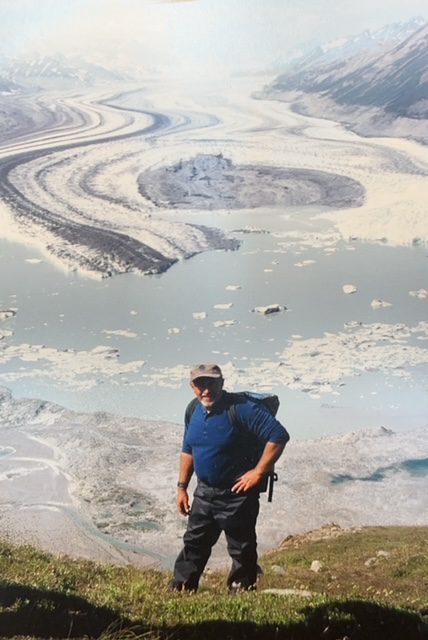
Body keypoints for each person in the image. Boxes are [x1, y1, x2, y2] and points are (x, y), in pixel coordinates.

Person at [171, 363, 290, 592]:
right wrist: (182, 487)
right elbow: (188, 449)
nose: (206, 389)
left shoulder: (242, 409)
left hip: (237, 493)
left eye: (212, 383)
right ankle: (181, 588)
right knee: (194, 542)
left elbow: (278, 435)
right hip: (205, 491)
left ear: (222, 383)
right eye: (200, 384)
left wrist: (258, 472)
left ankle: (242, 591)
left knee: (241, 547)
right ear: (191, 386)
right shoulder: (193, 410)